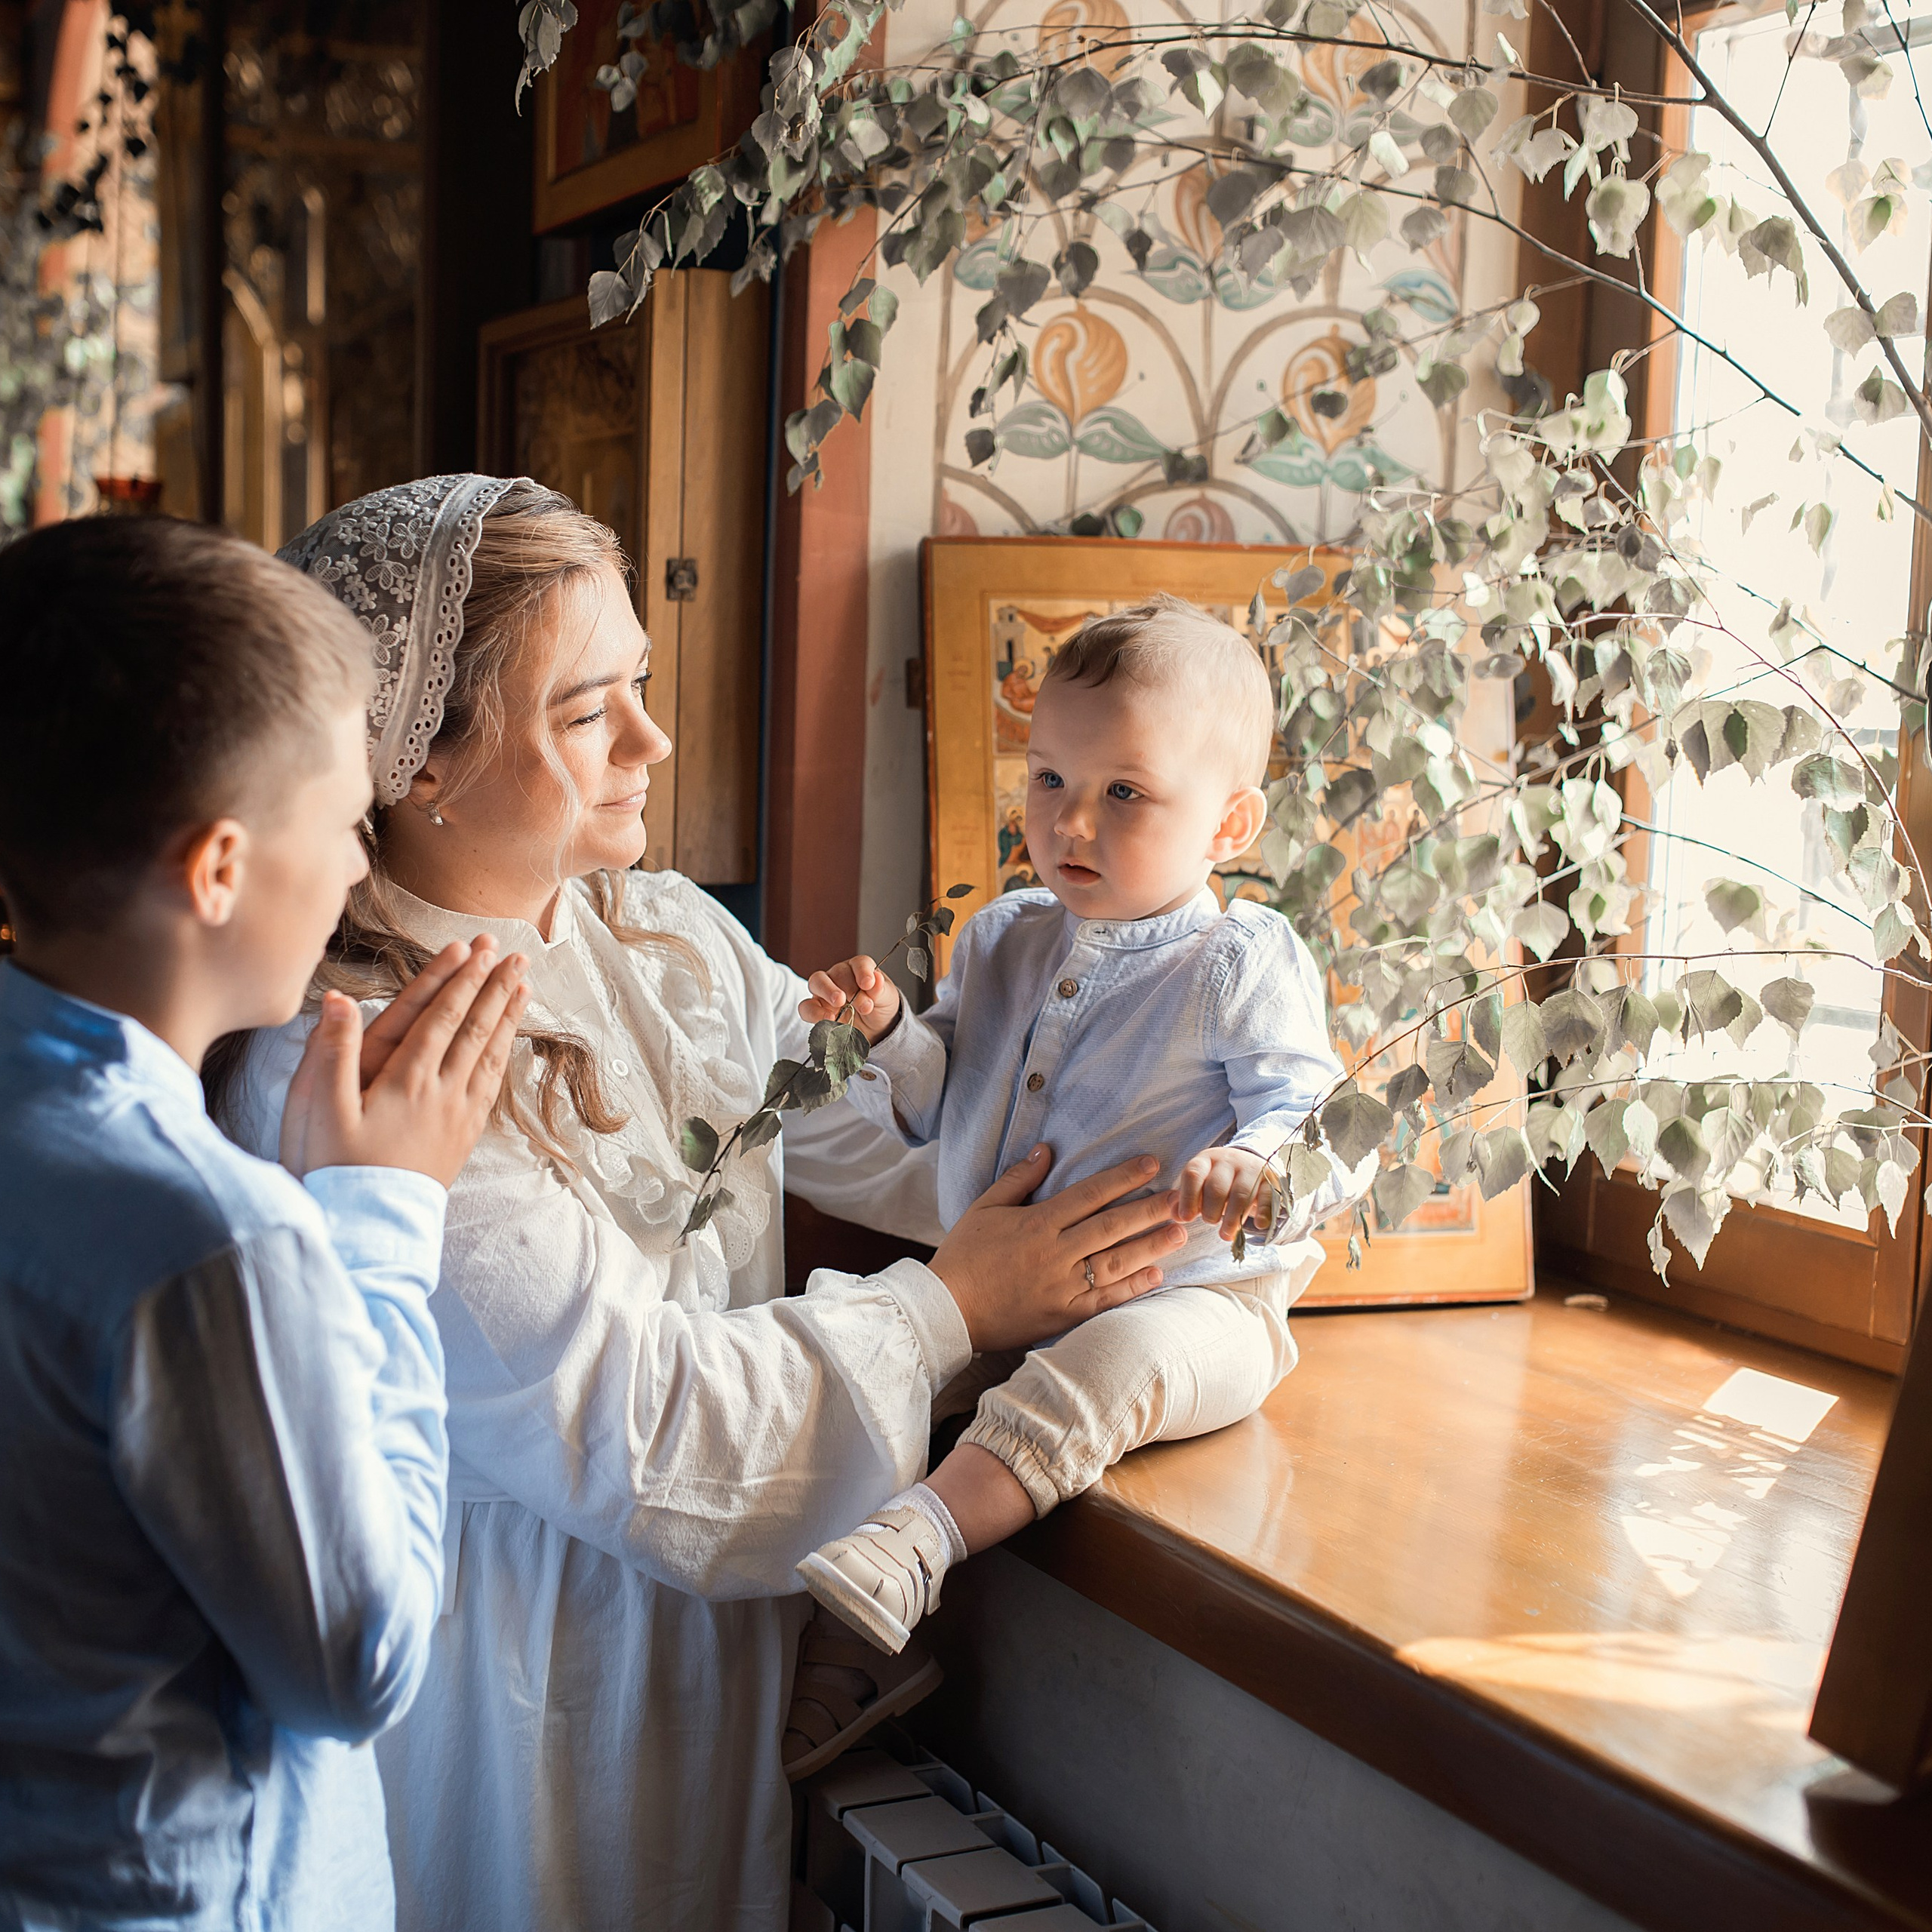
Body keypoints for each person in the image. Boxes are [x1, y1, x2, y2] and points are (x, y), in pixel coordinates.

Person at [218, 475, 1188, 1932]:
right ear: (418, 757)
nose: (653, 743)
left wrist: (1169, 1051)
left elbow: (924, 1160)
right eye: (587, 711)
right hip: (516, 1692)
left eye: (646, 686)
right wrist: (957, 1305)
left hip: (704, 1663)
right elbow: (642, 1429)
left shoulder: (656, 931)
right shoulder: (355, 1063)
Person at [0, 517, 530, 1930]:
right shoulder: (206, 1239)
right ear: (220, 869)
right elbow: (354, 1664)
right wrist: (382, 1220)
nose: (364, 869)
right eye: (352, 820)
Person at [793, 594, 1372, 1653]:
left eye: (1125, 793)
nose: (1070, 821)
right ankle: (833, 1649)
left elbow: (1322, 1116)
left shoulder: (1235, 962)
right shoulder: (1006, 937)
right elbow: (942, 1112)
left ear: (1230, 826)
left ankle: (920, 1541)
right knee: (874, 1362)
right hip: (1012, 1294)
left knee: (1109, 1368)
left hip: (1196, 1306)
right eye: (1050, 778)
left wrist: (1255, 1162)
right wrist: (887, 1035)